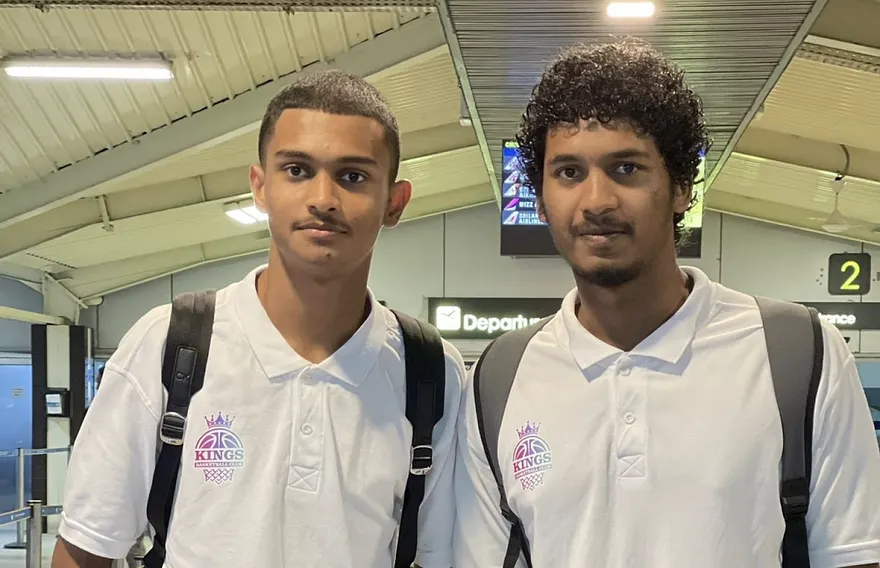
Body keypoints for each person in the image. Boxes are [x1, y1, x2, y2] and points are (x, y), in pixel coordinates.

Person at [453, 41, 880, 568]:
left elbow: (854, 554)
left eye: (626, 169)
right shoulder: (499, 378)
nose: (596, 201)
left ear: (682, 187)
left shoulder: (798, 353)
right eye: (568, 173)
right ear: (540, 199)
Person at [52, 70, 463, 568]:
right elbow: (85, 548)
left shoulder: (430, 372)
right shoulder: (169, 346)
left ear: (394, 203)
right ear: (260, 187)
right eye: (297, 170)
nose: (323, 198)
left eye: (353, 176)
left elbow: (441, 556)